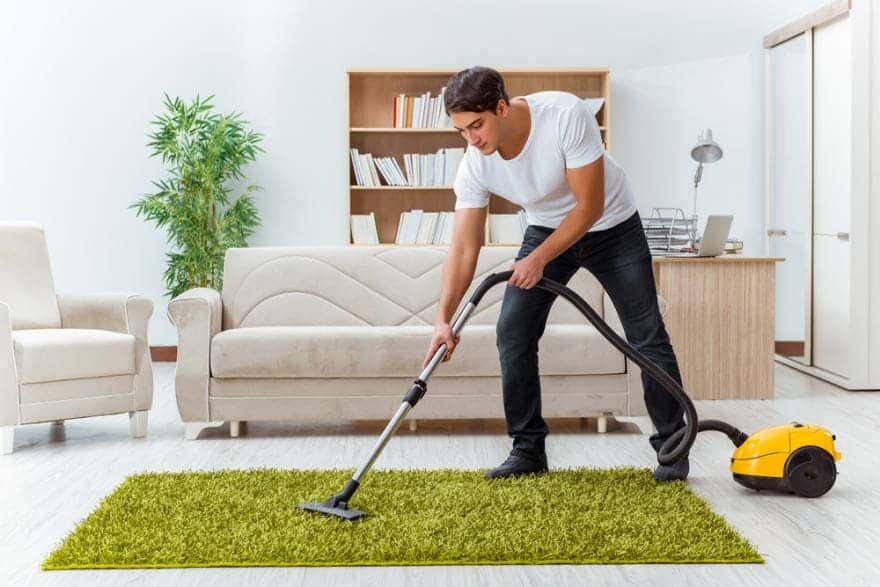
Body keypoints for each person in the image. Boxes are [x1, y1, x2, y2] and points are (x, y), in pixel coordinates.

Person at [422, 66, 689, 481]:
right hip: (546, 228)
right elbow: (463, 246)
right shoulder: (475, 164)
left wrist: (538, 258)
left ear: (501, 107)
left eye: (477, 126)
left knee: (646, 333)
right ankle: (527, 450)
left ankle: (674, 447)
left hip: (612, 226)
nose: (472, 139)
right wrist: (443, 319)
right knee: (513, 331)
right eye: (461, 131)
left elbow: (589, 206)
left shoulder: (565, 114)